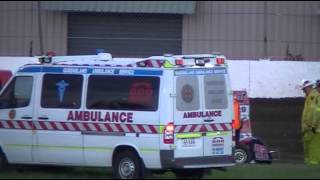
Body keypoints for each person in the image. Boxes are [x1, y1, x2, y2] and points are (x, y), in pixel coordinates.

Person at [300, 79, 317, 164]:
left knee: (313, 151)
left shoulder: (314, 97)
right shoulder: (309, 97)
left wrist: (312, 125)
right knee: (308, 151)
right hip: (308, 129)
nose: (303, 91)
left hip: (312, 129)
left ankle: (312, 167)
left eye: (304, 89)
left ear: (309, 87)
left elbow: (315, 113)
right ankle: (308, 166)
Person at [309, 80, 320, 165]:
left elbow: (317, 113)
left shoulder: (318, 98)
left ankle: (315, 164)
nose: (316, 89)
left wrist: (313, 126)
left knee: (315, 146)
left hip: (318, 128)